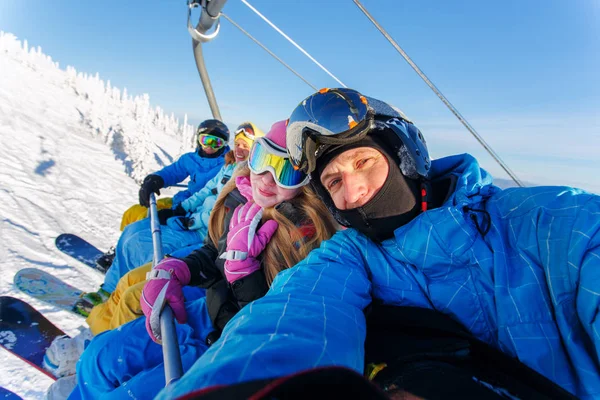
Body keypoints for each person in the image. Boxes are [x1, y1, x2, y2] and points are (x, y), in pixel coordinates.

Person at [156, 88, 600, 400]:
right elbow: (295, 317)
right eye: (333, 180)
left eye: (364, 162)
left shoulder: (548, 223)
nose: (354, 193)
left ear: (404, 155)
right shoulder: (352, 256)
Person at [67, 121, 337, 399]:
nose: (267, 178)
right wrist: (180, 269)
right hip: (206, 312)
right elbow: (211, 252)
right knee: (98, 359)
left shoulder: (305, 235)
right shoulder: (239, 195)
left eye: (286, 171)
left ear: (306, 181)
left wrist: (244, 274)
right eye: (263, 159)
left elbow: (277, 328)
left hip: (234, 346)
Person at [95, 119, 232, 270]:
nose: (210, 147)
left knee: (147, 217)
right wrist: (155, 180)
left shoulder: (225, 165)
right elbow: (172, 172)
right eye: (206, 140)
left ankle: (135, 253)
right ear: (198, 139)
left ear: (224, 145)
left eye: (216, 143)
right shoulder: (190, 159)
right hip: (184, 200)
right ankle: (119, 252)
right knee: (132, 212)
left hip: (197, 208)